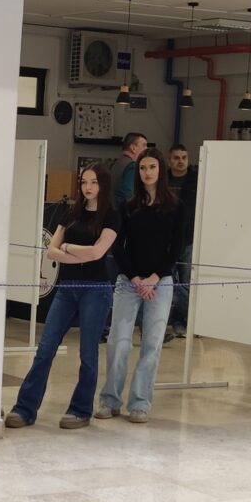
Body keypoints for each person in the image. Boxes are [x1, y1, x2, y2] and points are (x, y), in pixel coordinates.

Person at [7, 163, 118, 429]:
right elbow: (51, 251)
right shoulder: (71, 213)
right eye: (84, 182)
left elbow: (97, 253)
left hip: (96, 290)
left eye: (93, 182)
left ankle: (80, 410)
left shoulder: (112, 216)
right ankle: (24, 408)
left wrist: (67, 247)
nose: (88, 187)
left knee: (88, 353)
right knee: (45, 349)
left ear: (103, 185)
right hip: (67, 288)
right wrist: (76, 252)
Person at [98, 148, 179, 423]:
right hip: (128, 282)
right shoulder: (127, 207)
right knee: (118, 343)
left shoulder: (175, 207)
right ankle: (110, 400)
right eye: (143, 167)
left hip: (160, 283)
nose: (147, 172)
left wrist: (155, 278)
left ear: (161, 170)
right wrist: (135, 278)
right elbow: (118, 247)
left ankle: (140, 403)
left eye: (152, 167)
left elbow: (176, 248)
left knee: (152, 345)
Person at [165, 144, 197, 338]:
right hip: (166, 239)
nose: (180, 161)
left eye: (184, 157)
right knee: (167, 281)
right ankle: (169, 320)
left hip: (189, 238)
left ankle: (181, 321)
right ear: (169, 160)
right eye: (176, 158)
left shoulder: (196, 179)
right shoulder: (163, 179)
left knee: (186, 282)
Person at [109, 131, 148, 211]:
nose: (146, 149)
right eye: (144, 145)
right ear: (133, 148)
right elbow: (128, 196)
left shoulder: (115, 164)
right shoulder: (132, 166)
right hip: (123, 213)